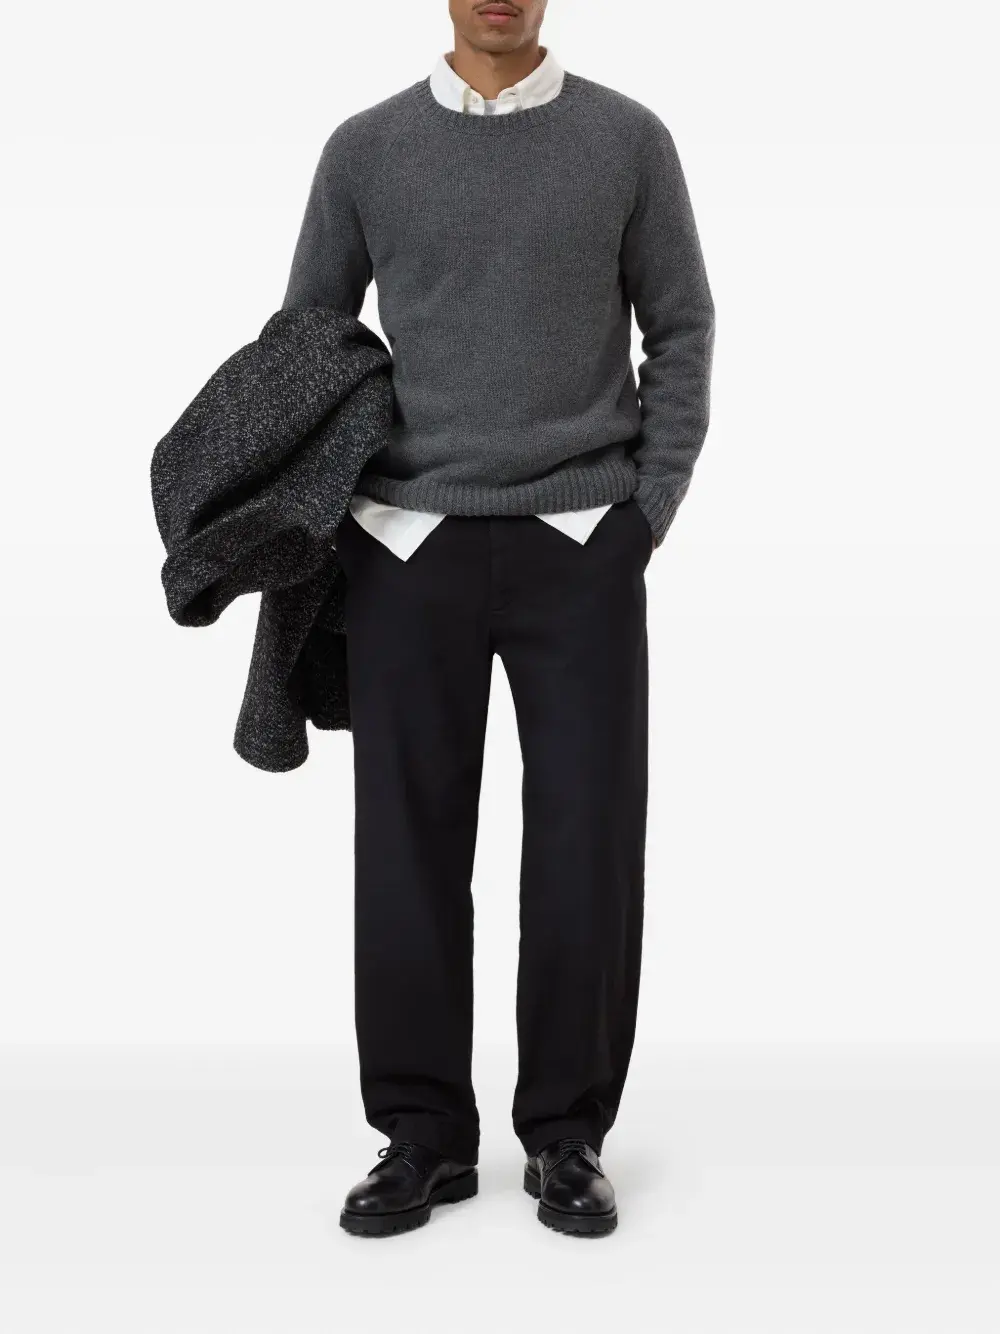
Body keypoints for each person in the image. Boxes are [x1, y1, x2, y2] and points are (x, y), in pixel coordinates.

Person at [281, 0, 715, 1238]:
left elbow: (681, 325)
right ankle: (421, 1135)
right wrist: (337, 506)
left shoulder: (627, 140)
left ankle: (566, 1134)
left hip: (580, 539)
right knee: (406, 845)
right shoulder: (365, 149)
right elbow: (307, 342)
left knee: (587, 840)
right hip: (406, 542)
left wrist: (646, 510)